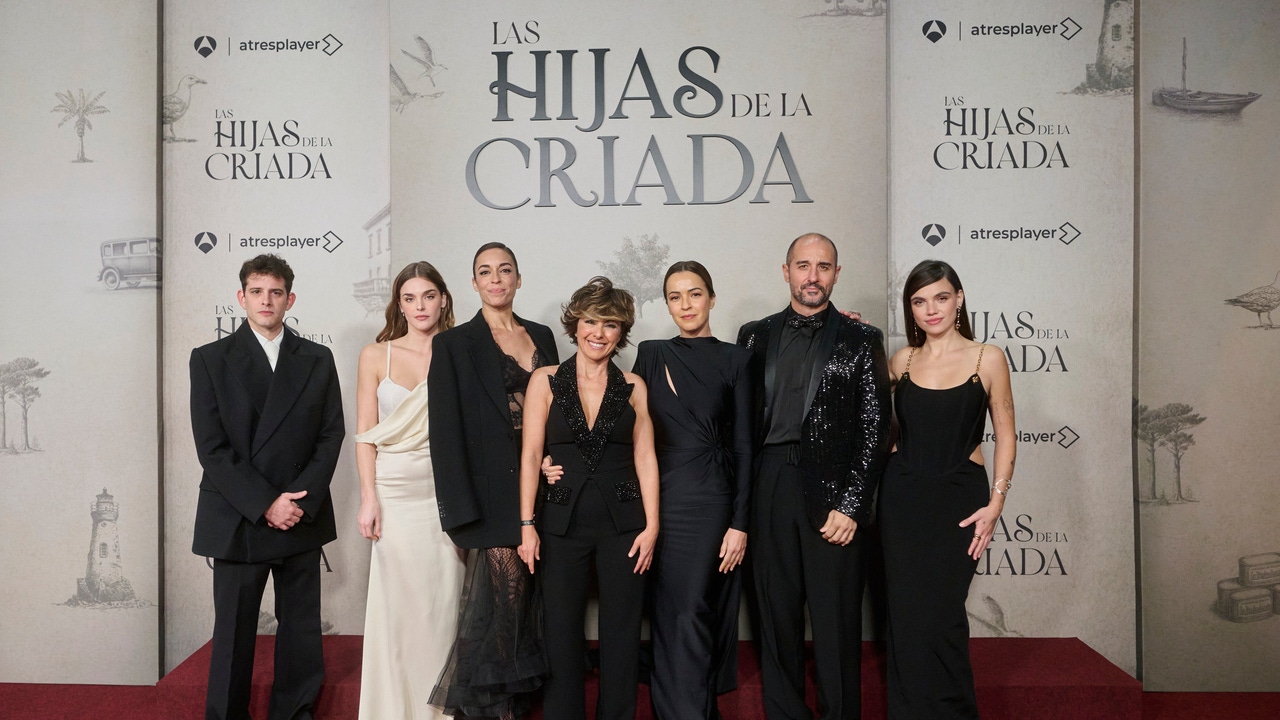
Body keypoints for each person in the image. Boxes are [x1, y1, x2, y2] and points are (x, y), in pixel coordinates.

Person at [736, 233, 891, 720]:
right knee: (775, 614)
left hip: (834, 492)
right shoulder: (753, 335)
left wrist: (852, 505)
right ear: (786, 271)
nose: (812, 276)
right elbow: (736, 421)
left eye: (823, 267)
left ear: (836, 274)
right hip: (769, 484)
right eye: (803, 265)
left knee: (836, 619)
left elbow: (876, 428)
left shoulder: (862, 338)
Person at [189, 254, 345, 720]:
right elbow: (212, 448)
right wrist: (265, 504)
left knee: (300, 635)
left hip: (300, 511)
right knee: (233, 636)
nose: (266, 300)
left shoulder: (318, 359)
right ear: (241, 298)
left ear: (290, 299)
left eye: (275, 292)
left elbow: (330, 434)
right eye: (256, 292)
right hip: (240, 517)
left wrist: (295, 502)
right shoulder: (210, 359)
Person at [517, 277, 660, 720]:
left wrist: (653, 526)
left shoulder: (633, 385)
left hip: (626, 527)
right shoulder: (545, 380)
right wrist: (526, 525)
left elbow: (646, 456)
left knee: (621, 635)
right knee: (560, 634)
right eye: (591, 321)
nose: (599, 332)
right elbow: (530, 456)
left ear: (621, 333)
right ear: (575, 325)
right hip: (559, 524)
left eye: (611, 324)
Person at [879, 260, 1015, 719]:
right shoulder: (902, 361)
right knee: (905, 619)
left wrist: (996, 501)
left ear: (959, 298)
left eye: (940, 297)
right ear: (910, 309)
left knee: (943, 617)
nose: (930, 309)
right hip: (902, 501)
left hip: (960, 500)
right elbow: (872, 419)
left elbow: (1007, 433)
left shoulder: (988, 357)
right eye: (919, 301)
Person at [428, 243, 559, 719]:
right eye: (485, 271)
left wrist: (554, 461)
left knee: (535, 606)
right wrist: (460, 517)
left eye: (505, 270)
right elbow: (444, 433)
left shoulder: (543, 335)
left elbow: (559, 413)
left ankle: (520, 708)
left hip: (547, 490)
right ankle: (495, 711)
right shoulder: (454, 344)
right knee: (503, 606)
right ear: (474, 283)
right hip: (490, 499)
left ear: (518, 279)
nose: (496, 278)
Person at [633, 261, 753, 719]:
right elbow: (631, 429)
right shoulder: (651, 352)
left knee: (687, 611)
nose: (685, 305)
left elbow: (744, 445)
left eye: (695, 294)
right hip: (657, 495)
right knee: (666, 612)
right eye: (675, 297)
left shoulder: (736, 358)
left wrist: (740, 522)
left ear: (712, 298)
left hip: (708, 499)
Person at [354, 261, 467, 719]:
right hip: (394, 496)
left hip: (447, 497)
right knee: (399, 610)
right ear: (398, 304)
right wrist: (369, 498)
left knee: (444, 607)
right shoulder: (374, 355)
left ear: (443, 299)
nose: (420, 306)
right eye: (409, 298)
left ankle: (441, 711)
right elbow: (365, 433)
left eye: (428, 296)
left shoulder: (462, 351)